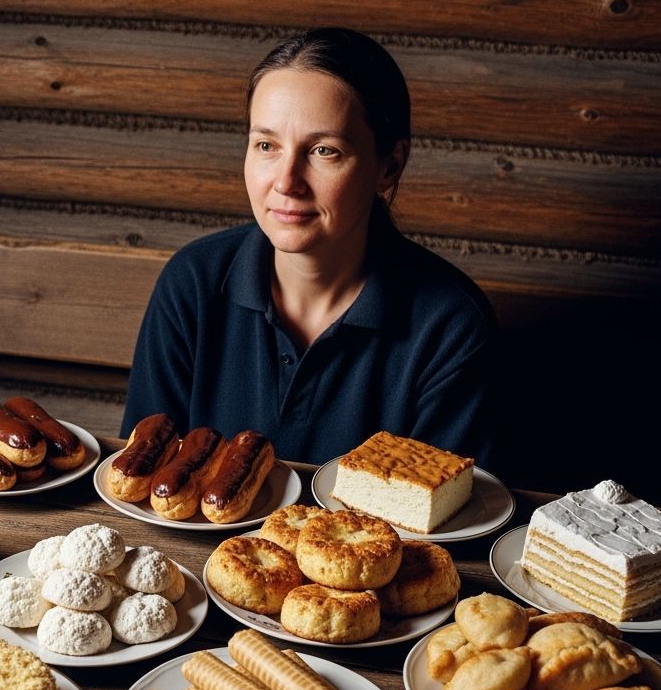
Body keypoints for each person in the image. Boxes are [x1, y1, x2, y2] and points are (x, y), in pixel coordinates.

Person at [121, 27, 499, 467]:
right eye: (266, 145)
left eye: (323, 151)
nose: (286, 182)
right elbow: (142, 480)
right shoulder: (192, 283)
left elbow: (438, 523)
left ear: (389, 165)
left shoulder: (451, 327)